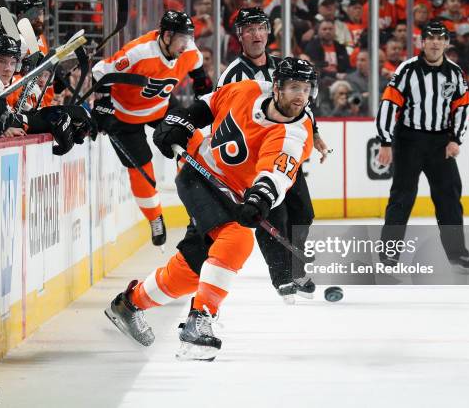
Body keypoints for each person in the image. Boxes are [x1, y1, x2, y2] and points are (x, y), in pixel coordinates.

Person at [105, 57, 316, 361]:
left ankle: (129, 304)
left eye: (307, 89)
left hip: (234, 195)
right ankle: (199, 320)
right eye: (295, 87)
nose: (301, 97)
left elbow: (276, 174)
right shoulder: (248, 90)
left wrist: (260, 198)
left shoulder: (296, 133)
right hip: (198, 174)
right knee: (239, 237)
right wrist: (178, 123)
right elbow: (208, 105)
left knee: (191, 271)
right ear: (278, 87)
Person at [217, 8, 328, 301]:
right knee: (272, 215)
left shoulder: (282, 65)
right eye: (249, 29)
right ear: (239, 35)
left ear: (268, 32)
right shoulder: (233, 74)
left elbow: (301, 103)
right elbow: (219, 113)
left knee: (303, 212)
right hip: (252, 159)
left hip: (284, 151)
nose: (256, 35)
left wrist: (314, 134)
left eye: (261, 28)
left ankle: (296, 265)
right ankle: (283, 276)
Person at [91, 10, 212, 246]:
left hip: (162, 107)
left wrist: (202, 86)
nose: (186, 44)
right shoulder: (138, 53)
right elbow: (99, 71)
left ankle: (204, 197)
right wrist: (103, 105)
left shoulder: (189, 51)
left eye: (188, 38)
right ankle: (155, 218)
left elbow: (199, 73)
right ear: (166, 36)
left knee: (195, 142)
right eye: (182, 39)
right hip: (124, 116)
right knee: (143, 170)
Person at [375, 21, 469, 275]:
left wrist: (456, 138)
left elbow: (462, 107)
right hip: (408, 140)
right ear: (422, 42)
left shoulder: (455, 73)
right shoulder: (407, 69)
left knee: (450, 197)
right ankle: (389, 255)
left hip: (440, 143)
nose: (435, 42)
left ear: (446, 43)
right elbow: (389, 104)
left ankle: (458, 254)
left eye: (440, 38)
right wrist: (385, 141)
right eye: (430, 37)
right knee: (402, 196)